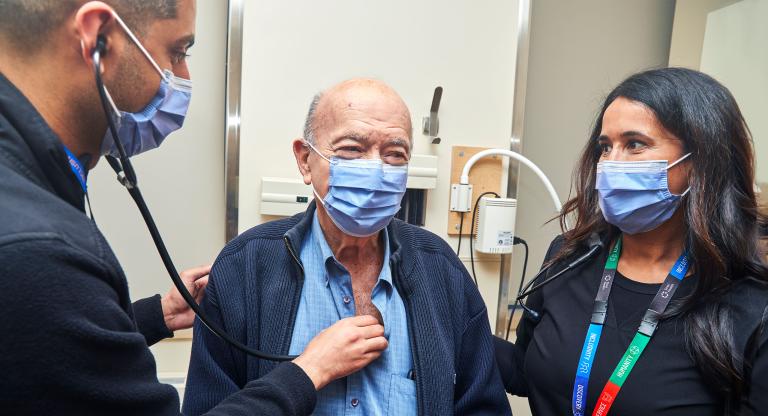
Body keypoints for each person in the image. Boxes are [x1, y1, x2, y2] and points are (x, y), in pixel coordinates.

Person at [0, 1, 388, 415]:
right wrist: (308, 371)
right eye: (177, 51)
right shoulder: (37, 248)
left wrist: (156, 316)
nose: (182, 78)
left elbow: (52, 347)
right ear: (97, 37)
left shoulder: (28, 199)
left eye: (395, 154)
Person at [183, 78, 511, 416]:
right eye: (352, 149)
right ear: (305, 159)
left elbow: (484, 406)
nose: (376, 169)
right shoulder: (245, 268)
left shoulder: (441, 270)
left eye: (395, 154)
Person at [494, 67, 768, 415]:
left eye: (634, 144)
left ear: (701, 162)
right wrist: (449, 316)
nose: (610, 164)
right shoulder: (571, 255)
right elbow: (526, 369)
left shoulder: (751, 305)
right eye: (605, 147)